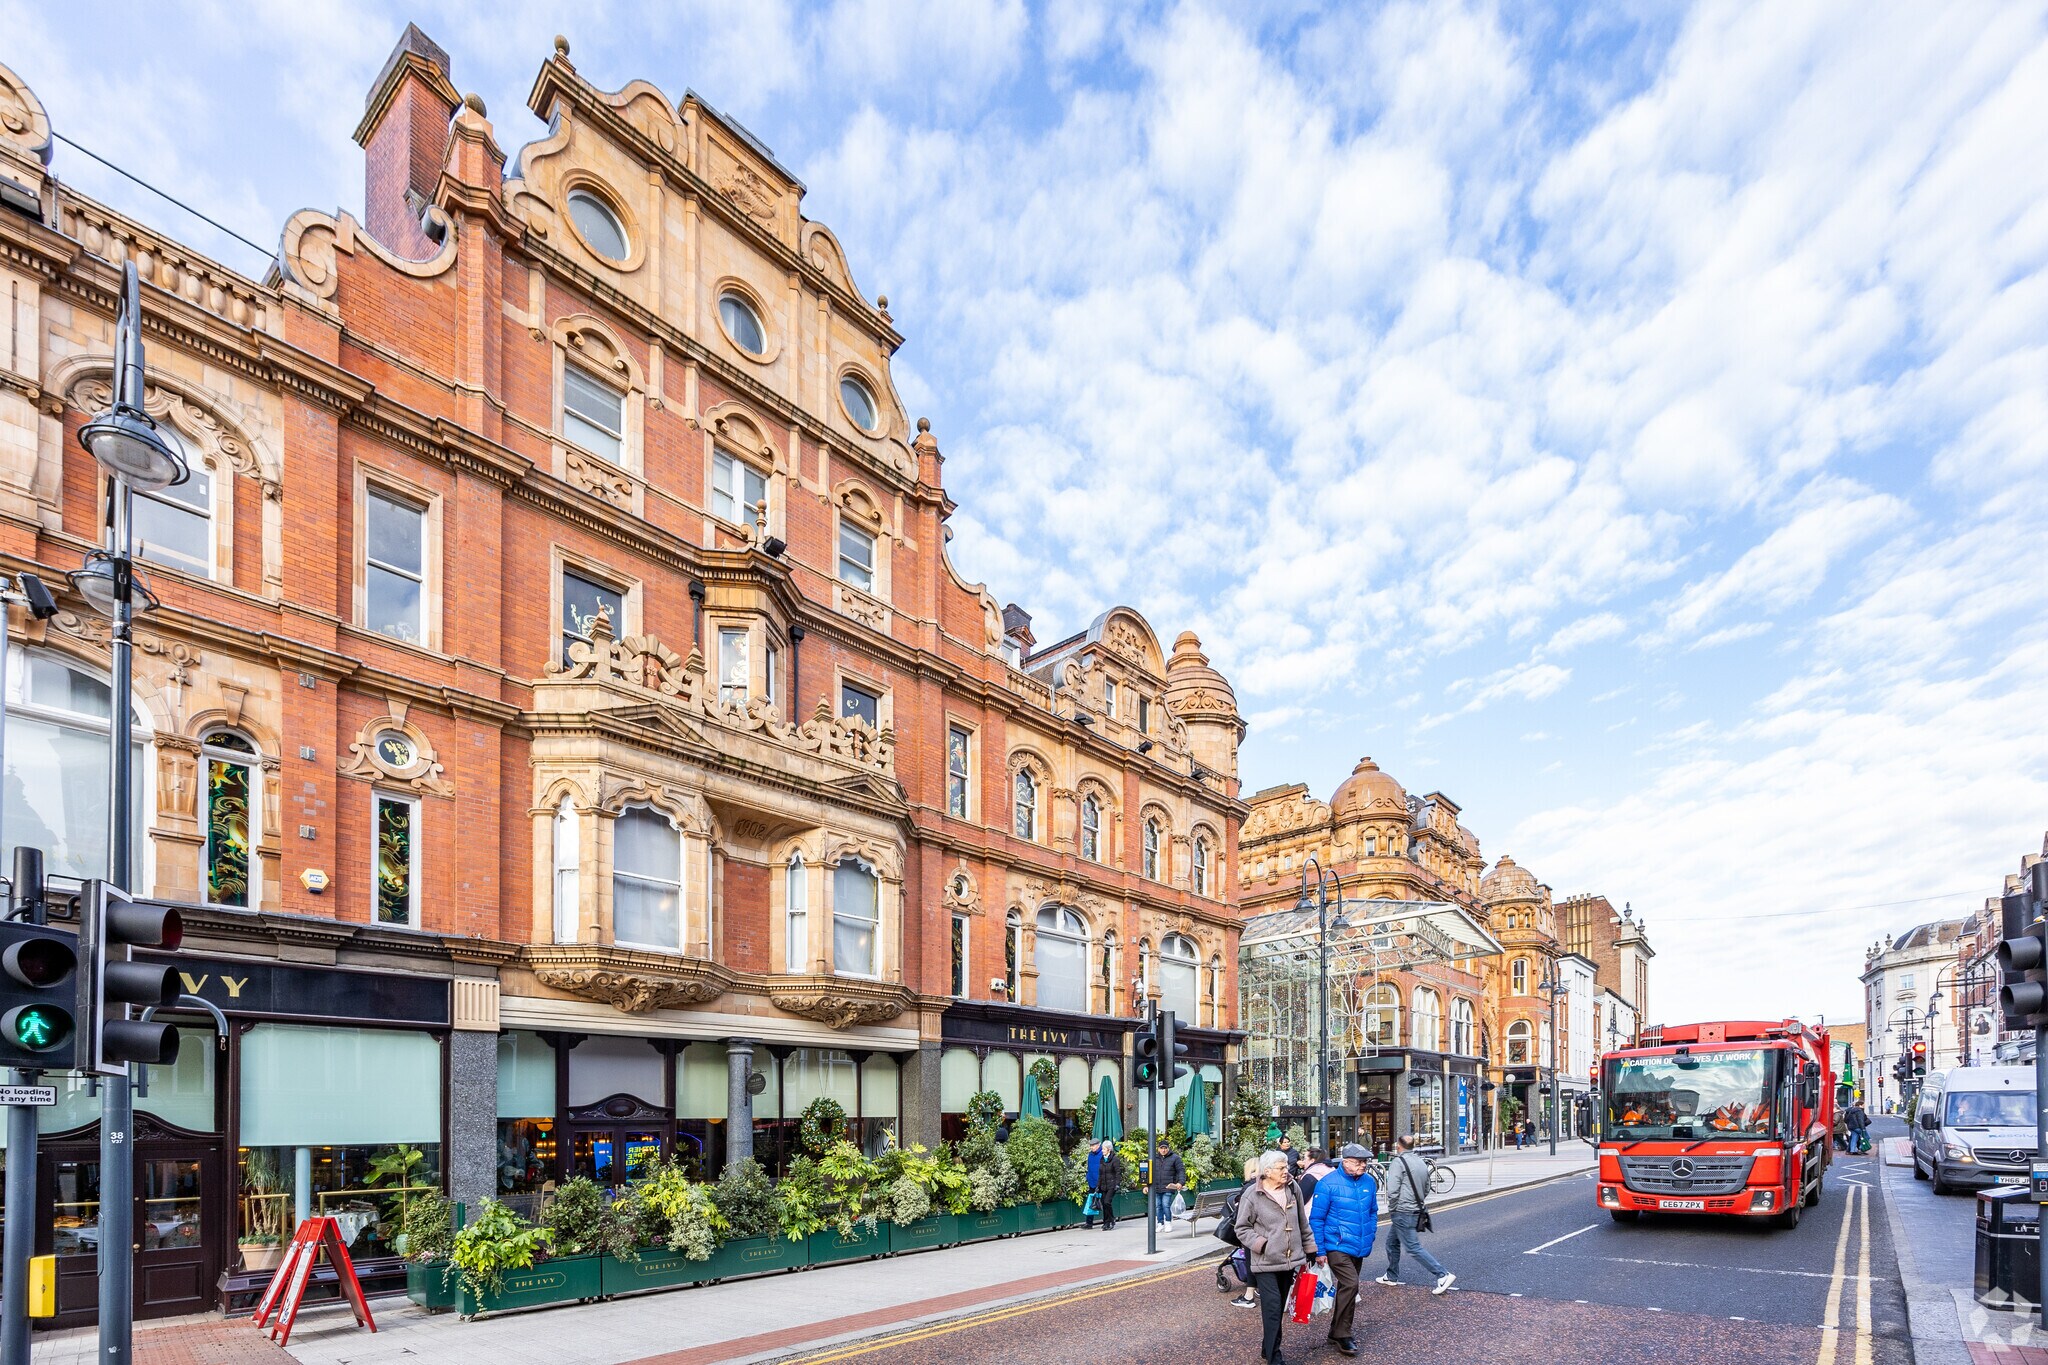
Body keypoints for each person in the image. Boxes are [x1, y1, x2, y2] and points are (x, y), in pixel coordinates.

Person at [1235, 1150, 1321, 1365]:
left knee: (1279, 1305)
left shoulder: (1294, 1188)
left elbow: (1302, 1221)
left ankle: (1267, 1347)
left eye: (1286, 1167)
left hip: (1290, 1260)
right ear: (1267, 1172)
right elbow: (1242, 1228)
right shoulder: (1252, 1195)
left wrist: (1310, 1247)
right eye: (1281, 1168)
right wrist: (1261, 1244)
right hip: (1264, 1261)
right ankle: (1274, 1356)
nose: (1287, 1171)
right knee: (1272, 1307)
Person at [1309, 1143, 1379, 1357]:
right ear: (1345, 1161)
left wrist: (1371, 1233)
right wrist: (1319, 1250)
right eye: (1359, 1162)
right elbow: (1316, 1219)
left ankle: (1334, 1331)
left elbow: (1373, 1212)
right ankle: (1343, 1335)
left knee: (1347, 1289)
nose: (1364, 1165)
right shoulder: (1327, 1183)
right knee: (1351, 1283)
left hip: (1359, 1245)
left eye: (1365, 1161)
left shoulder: (1369, 1182)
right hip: (1336, 1245)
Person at [1376, 1134, 1454, 1295]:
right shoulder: (1421, 1161)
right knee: (1392, 1243)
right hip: (1416, 1209)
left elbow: (1392, 1190)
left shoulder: (1398, 1162)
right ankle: (1391, 1276)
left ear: (1399, 1146)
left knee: (1413, 1247)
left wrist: (1393, 1207)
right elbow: (1427, 1188)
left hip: (1402, 1211)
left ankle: (1442, 1274)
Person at [1230, 1156, 1262, 1309]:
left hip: (1252, 1232)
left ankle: (1249, 1296)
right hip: (1267, 1231)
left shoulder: (1248, 1187)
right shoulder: (1266, 1185)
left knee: (1251, 1263)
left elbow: (1242, 1214)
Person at [1084, 1137, 1124, 1231]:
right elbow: (1101, 1173)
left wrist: (1117, 1184)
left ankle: (1111, 1220)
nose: (1102, 1151)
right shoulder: (1102, 1159)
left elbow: (1118, 1173)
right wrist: (1098, 1185)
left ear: (1108, 1149)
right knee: (1103, 1203)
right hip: (1103, 1184)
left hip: (1111, 1185)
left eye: (1103, 1149)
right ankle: (1106, 1222)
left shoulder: (1115, 1159)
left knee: (1107, 1202)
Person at [1153, 1137, 1186, 1229]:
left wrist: (1180, 1182)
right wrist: (1146, 1185)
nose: (1163, 1150)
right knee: (1158, 1206)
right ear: (1158, 1149)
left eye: (1165, 1148)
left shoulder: (1175, 1158)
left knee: (1165, 1204)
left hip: (1169, 1186)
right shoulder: (1154, 1158)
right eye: (1161, 1148)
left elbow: (1181, 1171)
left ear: (1168, 1148)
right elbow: (1149, 1172)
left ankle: (1168, 1222)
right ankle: (1160, 1223)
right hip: (1156, 1186)